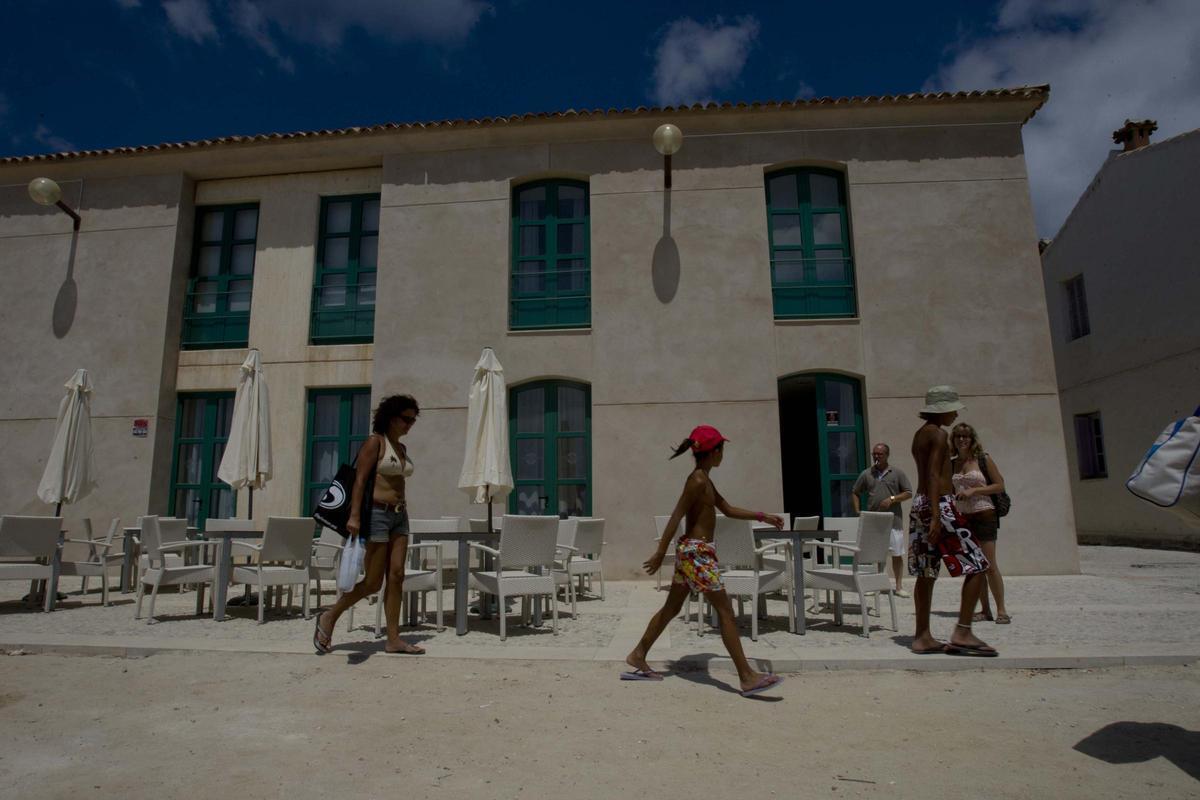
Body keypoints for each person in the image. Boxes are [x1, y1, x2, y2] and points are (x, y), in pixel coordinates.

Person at [624, 425, 786, 696]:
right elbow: (676, 516)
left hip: (694, 553)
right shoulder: (697, 481)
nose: (723, 454)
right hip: (696, 554)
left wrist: (762, 516)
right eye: (722, 449)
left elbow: (728, 509)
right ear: (713, 452)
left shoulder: (706, 480)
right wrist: (660, 552)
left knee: (671, 608)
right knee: (725, 612)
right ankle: (747, 677)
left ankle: (638, 654)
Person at [313, 394, 425, 655]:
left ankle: (393, 639)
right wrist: (354, 516)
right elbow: (360, 480)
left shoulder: (401, 448)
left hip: (400, 515)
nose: (410, 424)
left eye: (413, 420)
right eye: (406, 419)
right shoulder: (375, 442)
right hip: (376, 514)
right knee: (373, 582)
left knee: (397, 575)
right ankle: (329, 616)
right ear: (391, 418)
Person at [908, 386, 997, 656]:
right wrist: (937, 515)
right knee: (979, 564)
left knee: (926, 571)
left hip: (920, 503)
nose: (955, 414)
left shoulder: (919, 435)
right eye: (952, 410)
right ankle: (963, 631)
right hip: (939, 504)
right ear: (941, 410)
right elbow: (934, 475)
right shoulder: (938, 434)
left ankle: (922, 636)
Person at [951, 423, 1010, 624]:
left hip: (984, 514)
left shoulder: (983, 459)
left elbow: (999, 485)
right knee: (976, 567)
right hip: (963, 519)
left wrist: (974, 490)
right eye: (958, 436)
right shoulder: (952, 463)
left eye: (965, 436)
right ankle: (985, 610)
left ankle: (1001, 610)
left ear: (972, 438)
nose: (962, 439)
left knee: (990, 565)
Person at [852, 442, 913, 597]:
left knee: (896, 554)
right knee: (876, 554)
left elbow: (908, 492)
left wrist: (892, 499)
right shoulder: (867, 474)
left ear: (887, 455)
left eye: (879, 454)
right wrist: (857, 510)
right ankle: (878, 585)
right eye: (874, 454)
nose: (876, 457)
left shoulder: (897, 473)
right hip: (874, 521)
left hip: (893, 521)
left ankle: (898, 587)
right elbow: (855, 491)